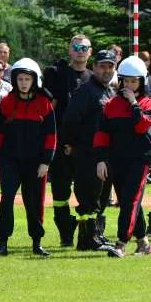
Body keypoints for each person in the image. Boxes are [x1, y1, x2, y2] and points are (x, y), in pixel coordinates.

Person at [0, 59, 56, 258]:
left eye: (27, 79)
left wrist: (46, 161)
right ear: (14, 80)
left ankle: (37, 243)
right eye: (20, 79)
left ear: (34, 80)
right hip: (10, 161)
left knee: (33, 203)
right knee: (6, 199)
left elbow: (51, 136)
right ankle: (2, 244)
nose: (23, 82)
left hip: (35, 163)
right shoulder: (7, 102)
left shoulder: (44, 103)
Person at [95, 55, 151, 257]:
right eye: (125, 80)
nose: (128, 85)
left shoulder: (147, 103)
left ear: (141, 82)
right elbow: (102, 134)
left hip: (140, 160)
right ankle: (144, 242)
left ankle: (121, 243)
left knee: (129, 201)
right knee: (130, 202)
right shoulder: (110, 104)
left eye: (133, 81)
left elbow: (142, 126)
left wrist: (134, 103)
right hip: (116, 160)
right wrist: (101, 158)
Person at [61, 49, 116, 251]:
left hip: (105, 155)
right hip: (87, 154)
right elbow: (70, 120)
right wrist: (72, 145)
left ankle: (96, 236)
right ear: (94, 68)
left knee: (101, 198)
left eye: (110, 66)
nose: (106, 70)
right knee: (88, 198)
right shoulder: (86, 91)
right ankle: (87, 239)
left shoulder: (109, 91)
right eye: (102, 66)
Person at [44, 34, 93, 246]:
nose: (80, 50)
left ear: (90, 52)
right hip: (62, 144)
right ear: (69, 49)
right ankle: (65, 232)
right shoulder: (58, 73)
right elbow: (48, 108)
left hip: (86, 146)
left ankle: (87, 235)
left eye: (84, 47)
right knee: (61, 192)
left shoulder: (95, 77)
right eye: (76, 46)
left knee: (87, 192)